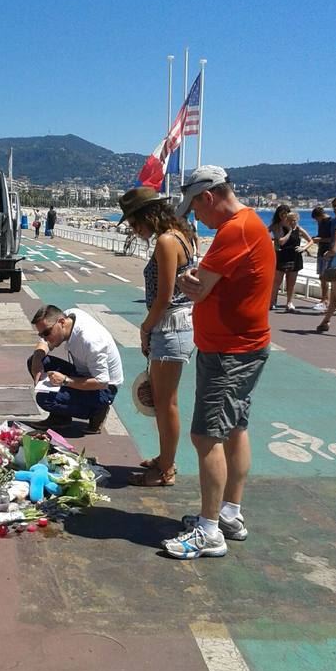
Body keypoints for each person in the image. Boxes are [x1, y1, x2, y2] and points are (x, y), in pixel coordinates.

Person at [160, 166, 275, 560]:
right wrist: (199, 283)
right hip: (242, 346)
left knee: (207, 436)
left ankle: (209, 532)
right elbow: (208, 283)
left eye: (195, 209)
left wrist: (190, 283)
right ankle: (229, 513)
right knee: (234, 428)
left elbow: (198, 287)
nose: (195, 218)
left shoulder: (234, 229)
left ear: (207, 198)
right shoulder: (249, 225)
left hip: (229, 352)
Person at [117, 187, 196, 487]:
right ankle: (165, 460)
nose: (134, 230)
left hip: (169, 326)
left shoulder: (165, 241)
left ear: (146, 217)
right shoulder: (182, 235)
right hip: (180, 325)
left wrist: (145, 328)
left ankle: (166, 470)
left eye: (135, 224)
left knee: (166, 404)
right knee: (165, 402)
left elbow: (164, 298)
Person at [28, 304, 124, 433]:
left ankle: (97, 411)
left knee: (45, 399)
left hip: (104, 389)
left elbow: (102, 382)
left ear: (61, 322)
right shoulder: (70, 316)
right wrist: (37, 359)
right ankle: (60, 418)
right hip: (83, 373)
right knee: (36, 360)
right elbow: (43, 343)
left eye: (46, 333)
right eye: (41, 334)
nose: (44, 338)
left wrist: (65, 380)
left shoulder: (91, 342)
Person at [270, 210, 314, 311]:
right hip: (283, 256)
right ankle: (272, 302)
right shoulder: (282, 229)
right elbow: (281, 242)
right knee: (277, 281)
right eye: (290, 220)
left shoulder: (299, 229)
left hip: (295, 257)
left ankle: (289, 303)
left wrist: (304, 248)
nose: (292, 222)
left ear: (297, 220)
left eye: (294, 220)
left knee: (291, 282)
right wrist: (290, 231)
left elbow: (311, 240)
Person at [316, 199, 336, 333]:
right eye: (335, 206)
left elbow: (335, 244)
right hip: (334, 262)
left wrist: (329, 253)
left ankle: (325, 321)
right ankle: (325, 322)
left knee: (335, 296)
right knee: (334, 297)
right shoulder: (334, 221)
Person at [267, 204, 290, 309]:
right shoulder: (276, 225)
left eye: (285, 214)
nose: (283, 216)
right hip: (278, 252)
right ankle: (273, 300)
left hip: (290, 252)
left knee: (289, 279)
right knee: (276, 279)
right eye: (281, 214)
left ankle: (288, 302)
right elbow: (265, 231)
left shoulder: (291, 224)